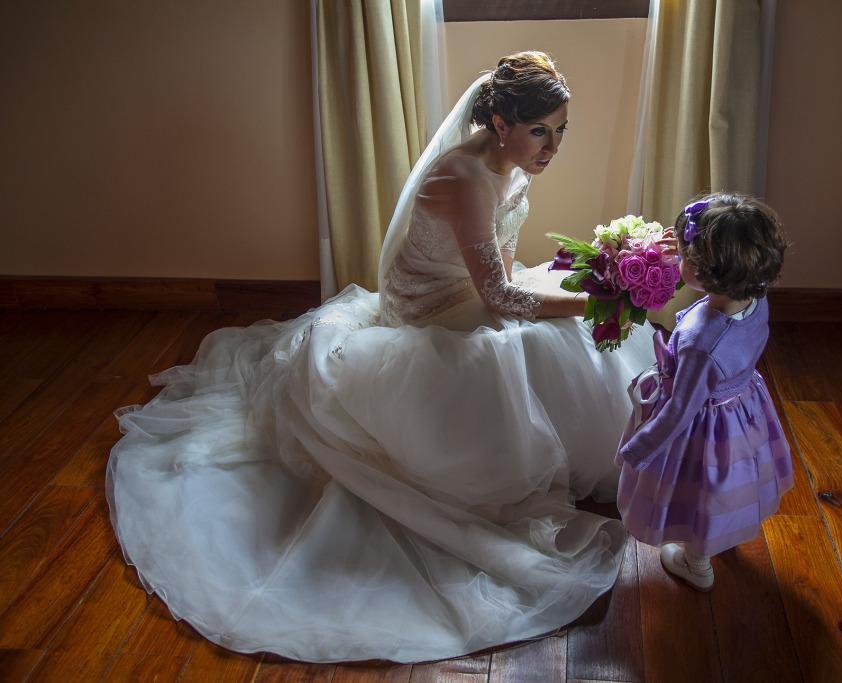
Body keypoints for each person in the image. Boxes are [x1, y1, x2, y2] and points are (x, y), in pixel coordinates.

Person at [107, 52, 656, 663]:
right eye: (540, 131)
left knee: (564, 331)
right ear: (500, 123)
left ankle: (586, 443)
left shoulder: (515, 166)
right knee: (534, 340)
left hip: (471, 290)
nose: (552, 146)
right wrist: (588, 301)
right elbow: (499, 296)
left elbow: (501, 269)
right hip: (426, 309)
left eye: (560, 131)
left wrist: (585, 289)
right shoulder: (464, 178)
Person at [615, 193, 793, 591]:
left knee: (698, 489)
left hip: (702, 427)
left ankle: (697, 563)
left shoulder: (702, 343)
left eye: (683, 255)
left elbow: (679, 411)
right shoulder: (755, 294)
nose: (678, 259)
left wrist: (639, 449)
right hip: (740, 408)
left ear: (704, 270)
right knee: (725, 485)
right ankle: (720, 531)